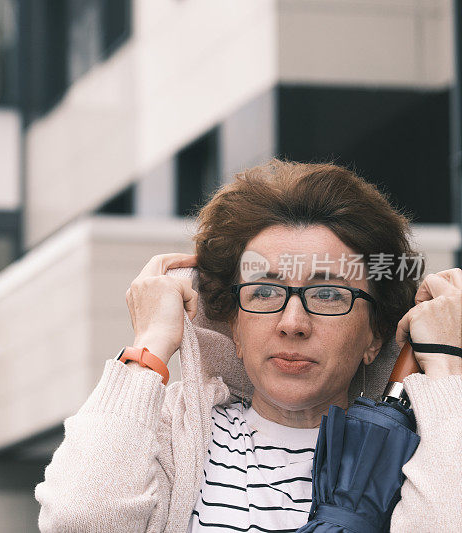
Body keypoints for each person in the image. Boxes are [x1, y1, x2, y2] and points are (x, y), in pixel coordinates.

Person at [34, 159, 462, 532]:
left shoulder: (427, 451)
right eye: (264, 292)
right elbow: (80, 520)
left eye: (329, 294)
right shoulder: (170, 434)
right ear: (233, 327)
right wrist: (151, 342)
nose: (292, 323)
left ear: (374, 335)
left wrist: (447, 370)